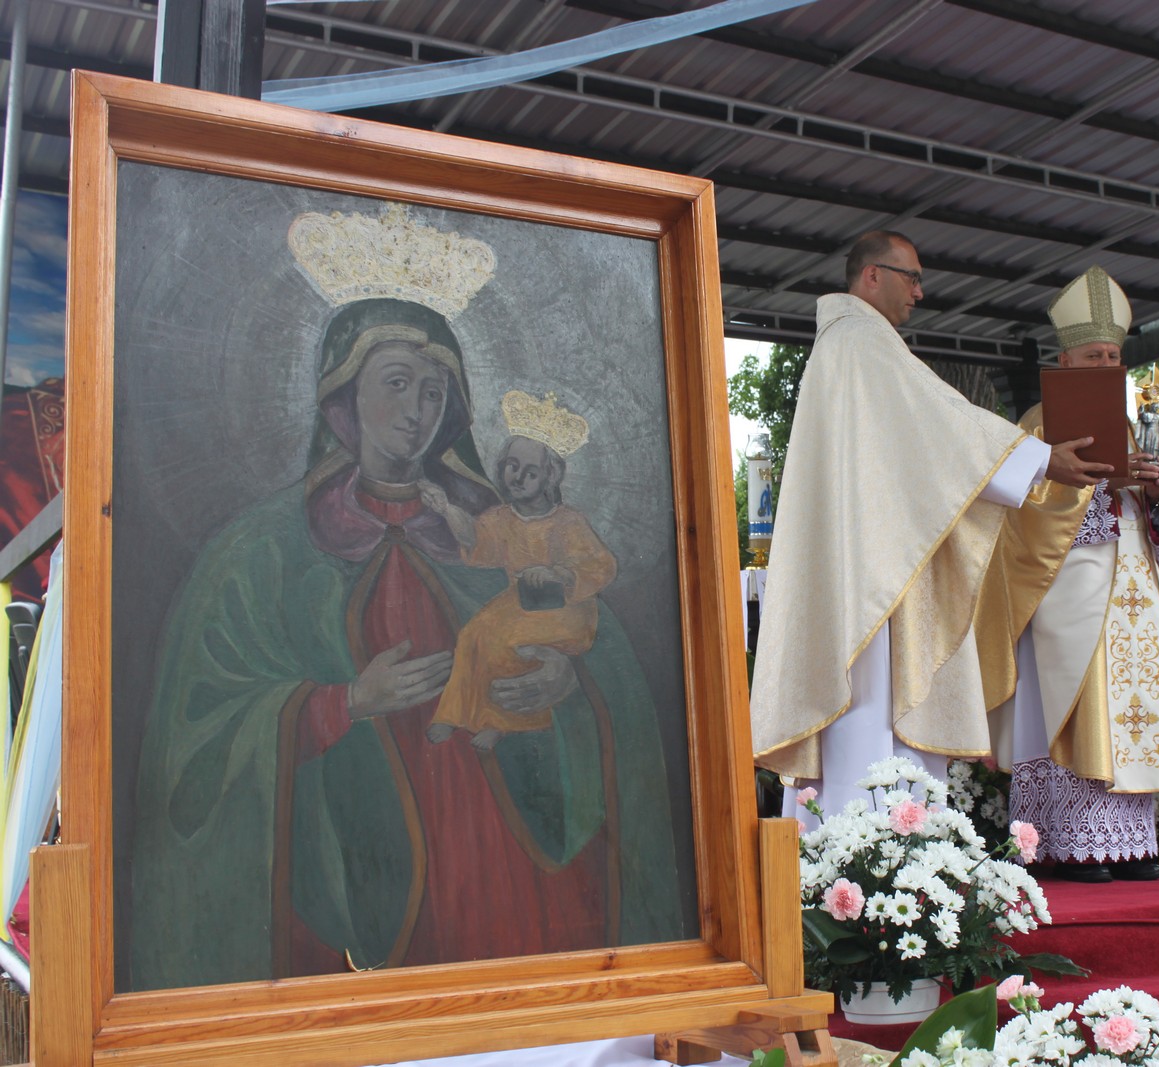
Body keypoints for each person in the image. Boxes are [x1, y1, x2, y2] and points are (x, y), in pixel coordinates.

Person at [129, 211, 685, 991]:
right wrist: (344, 700)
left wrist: (566, 680)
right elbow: (200, 737)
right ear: (341, 403)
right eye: (396, 384)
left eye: (435, 390)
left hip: (508, 853)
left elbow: (605, 662)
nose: (419, 409)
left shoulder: (505, 530)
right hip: (357, 861)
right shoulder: (258, 552)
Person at [751, 230, 1094, 815]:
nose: (921, 291)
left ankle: (860, 856)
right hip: (871, 574)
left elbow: (923, 443)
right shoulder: (862, 341)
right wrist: (1041, 459)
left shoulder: (848, 346)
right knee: (871, 709)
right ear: (871, 276)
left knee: (869, 712)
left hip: (867, 559)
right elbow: (946, 422)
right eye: (910, 276)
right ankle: (876, 856)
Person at [976, 266, 1159, 882]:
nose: (1106, 363)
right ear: (1066, 359)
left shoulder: (1133, 424)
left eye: (1114, 354)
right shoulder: (1036, 426)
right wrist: (1100, 488)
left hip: (1132, 586)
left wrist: (1155, 494)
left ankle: (1128, 843)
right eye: (1094, 354)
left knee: (1135, 708)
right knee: (1077, 703)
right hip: (1069, 585)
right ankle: (1071, 842)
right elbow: (1020, 516)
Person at [425, 393, 618, 751]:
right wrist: (446, 508)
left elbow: (602, 565)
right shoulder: (502, 519)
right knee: (473, 635)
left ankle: (501, 722)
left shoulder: (568, 523)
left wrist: (559, 573)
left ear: (549, 478)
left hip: (566, 609)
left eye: (530, 472)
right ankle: (453, 713)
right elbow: (476, 540)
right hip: (520, 602)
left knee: (509, 642)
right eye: (511, 466)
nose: (518, 477)